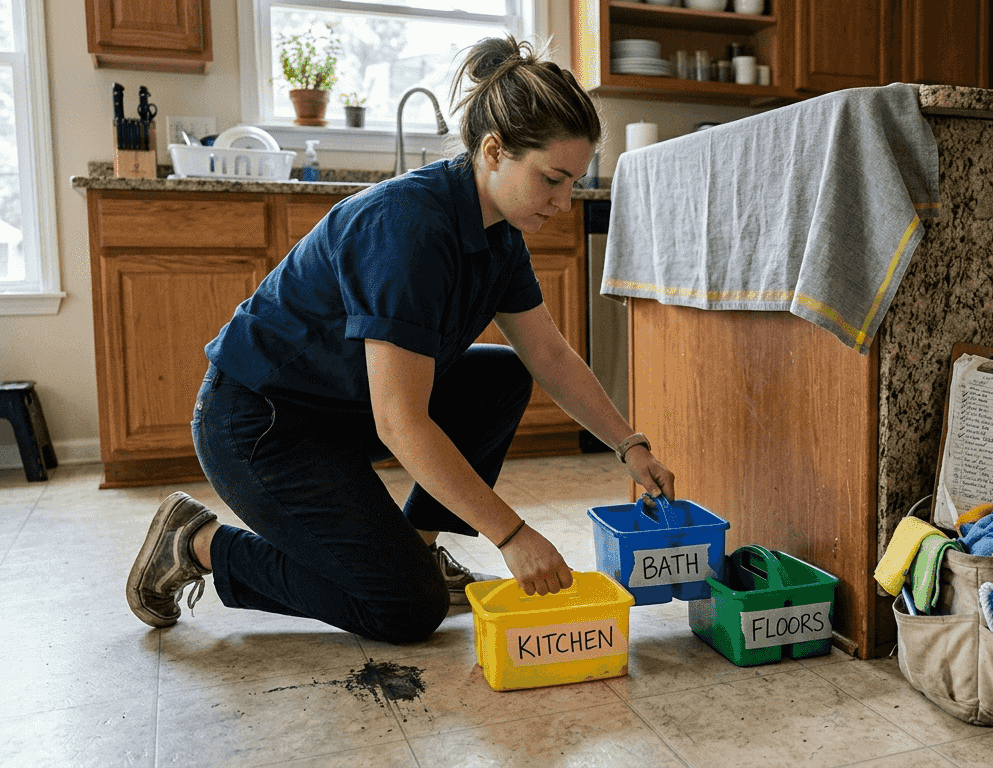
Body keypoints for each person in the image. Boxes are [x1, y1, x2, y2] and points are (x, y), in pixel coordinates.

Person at [124, 36, 676, 644]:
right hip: (259, 424)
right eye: (553, 179)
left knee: (503, 376)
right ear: (494, 151)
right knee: (405, 609)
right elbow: (400, 421)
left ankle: (413, 550)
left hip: (336, 410)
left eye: (574, 181)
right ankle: (198, 543)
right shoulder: (410, 230)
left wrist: (629, 445)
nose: (565, 202)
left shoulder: (501, 236)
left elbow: (547, 355)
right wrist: (513, 536)